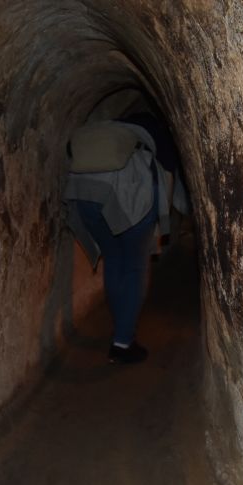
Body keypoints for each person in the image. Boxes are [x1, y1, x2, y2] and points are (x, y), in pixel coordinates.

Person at [63, 110, 185, 364]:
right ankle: (123, 342)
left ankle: (121, 330)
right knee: (135, 265)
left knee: (114, 259)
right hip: (129, 192)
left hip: (85, 193)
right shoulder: (157, 130)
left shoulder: (112, 131)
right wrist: (162, 221)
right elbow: (169, 174)